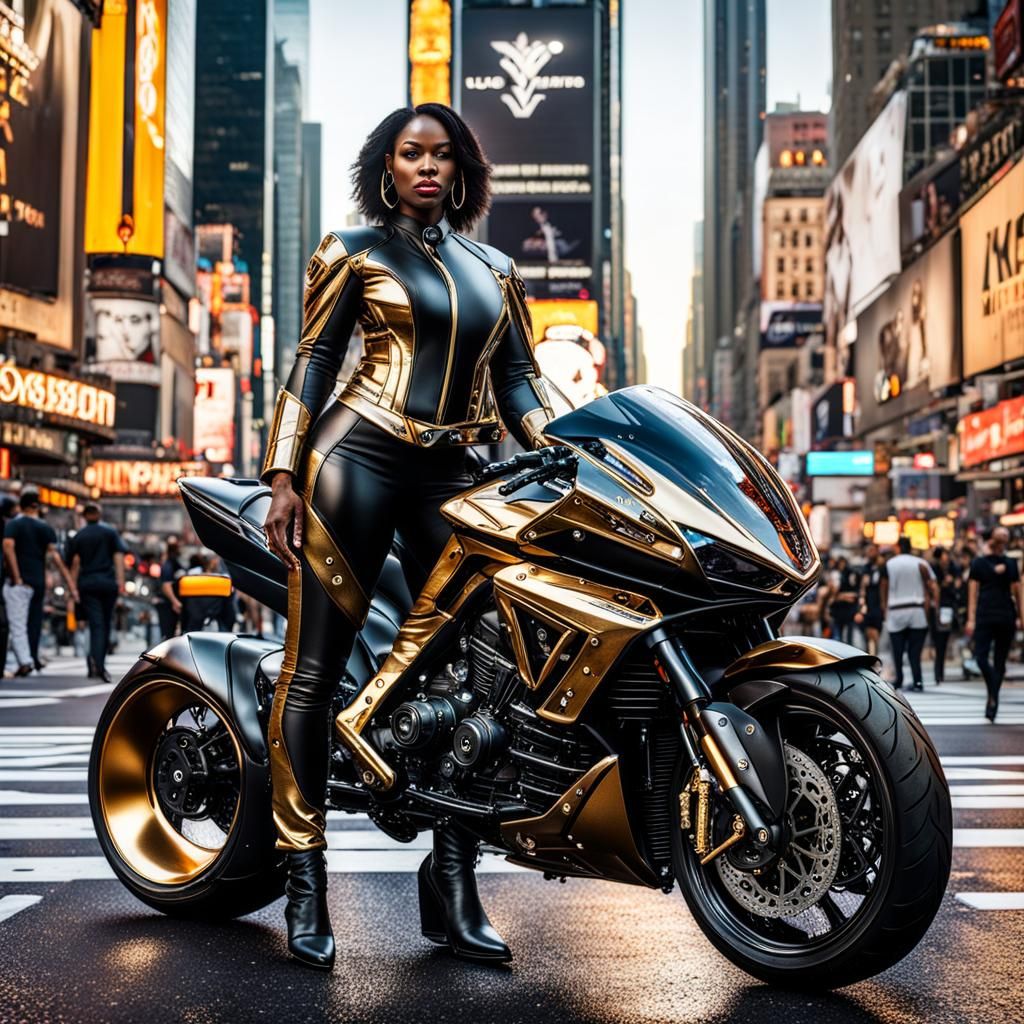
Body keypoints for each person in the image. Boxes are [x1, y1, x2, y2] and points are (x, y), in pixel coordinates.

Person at [260, 103, 555, 970]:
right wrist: (283, 473)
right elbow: (313, 361)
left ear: (463, 170)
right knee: (313, 666)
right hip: (354, 460)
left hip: (454, 474)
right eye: (408, 154)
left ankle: (453, 886)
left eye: (441, 155)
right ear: (387, 168)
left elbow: (522, 389)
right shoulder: (351, 250)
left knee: (481, 681)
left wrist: (577, 453)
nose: (426, 167)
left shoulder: (497, 268)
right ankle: (304, 882)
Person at [2, 491, 78, 672]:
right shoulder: (45, 528)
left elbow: (8, 548)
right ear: (37, 506)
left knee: (18, 623)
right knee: (34, 623)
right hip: (38, 582)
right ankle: (33, 657)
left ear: (21, 506)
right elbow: (56, 558)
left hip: (20, 582)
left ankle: (25, 661)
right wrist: (71, 585)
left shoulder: (14, 524)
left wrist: (16, 575)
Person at [65, 503, 128, 683]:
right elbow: (118, 557)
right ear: (99, 514)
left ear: (84, 516)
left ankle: (94, 663)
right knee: (105, 624)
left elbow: (75, 563)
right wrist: (121, 582)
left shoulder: (79, 536)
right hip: (108, 584)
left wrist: (73, 589)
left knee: (95, 624)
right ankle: (99, 663)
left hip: (87, 584)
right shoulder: (110, 533)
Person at [966, 526, 1023, 721]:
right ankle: (993, 692)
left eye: (1006, 536)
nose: (1003, 539)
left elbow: (1018, 592)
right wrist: (971, 618)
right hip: (984, 614)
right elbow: (972, 593)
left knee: (1000, 660)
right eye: (1000, 536)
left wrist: (1021, 617)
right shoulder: (979, 563)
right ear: (991, 539)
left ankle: (993, 701)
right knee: (981, 658)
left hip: (1006, 614)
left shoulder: (1011, 563)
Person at [880, 536, 937, 691]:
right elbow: (932, 585)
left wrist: (884, 606)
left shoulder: (889, 564)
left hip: (896, 611)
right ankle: (918, 681)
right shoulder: (921, 563)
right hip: (917, 610)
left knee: (897, 650)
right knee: (914, 651)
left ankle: (899, 679)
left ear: (898, 547)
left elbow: (884, 586)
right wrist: (934, 607)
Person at [930, 547, 961, 685]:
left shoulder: (953, 568)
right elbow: (932, 587)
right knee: (938, 641)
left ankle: (940, 672)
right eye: (943, 558)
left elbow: (958, 585)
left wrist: (952, 582)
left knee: (944, 640)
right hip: (937, 608)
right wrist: (943, 584)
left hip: (949, 607)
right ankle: (938, 672)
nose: (945, 560)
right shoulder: (933, 569)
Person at [856, 544, 885, 657]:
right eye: (868, 551)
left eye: (872, 550)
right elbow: (862, 589)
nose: (870, 553)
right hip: (868, 605)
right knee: (868, 634)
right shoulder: (866, 568)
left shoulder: (882, 567)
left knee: (876, 633)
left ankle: (875, 656)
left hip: (878, 605)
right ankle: (869, 655)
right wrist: (861, 607)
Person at [155, 537, 185, 640]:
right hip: (167, 604)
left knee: (170, 635)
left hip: (170, 603)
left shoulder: (174, 562)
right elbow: (166, 585)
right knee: (168, 636)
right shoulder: (169, 563)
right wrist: (175, 602)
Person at [0, 495, 17, 675]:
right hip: (6, 581)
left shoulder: (10, 526)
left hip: (5, 580)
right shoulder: (9, 526)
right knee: (4, 624)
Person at [829, 555, 861, 644]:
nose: (842, 565)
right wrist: (843, 597)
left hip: (849, 610)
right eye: (840, 564)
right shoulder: (835, 575)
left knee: (849, 638)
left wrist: (841, 596)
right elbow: (833, 596)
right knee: (837, 638)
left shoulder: (850, 574)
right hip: (838, 610)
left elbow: (854, 594)